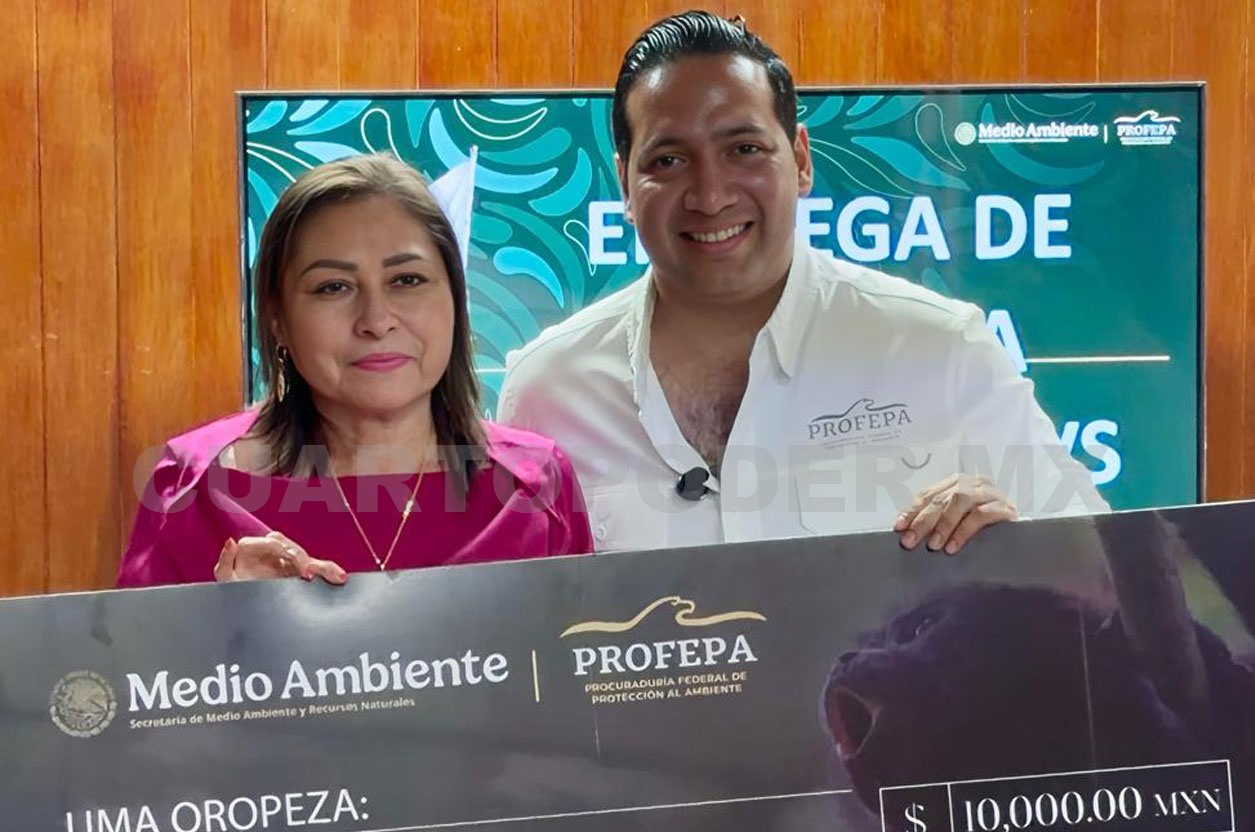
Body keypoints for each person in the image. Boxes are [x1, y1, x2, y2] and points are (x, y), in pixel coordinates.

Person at [498, 10, 1107, 555]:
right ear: (626, 186)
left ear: (801, 160)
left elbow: (1106, 574)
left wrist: (1021, 543)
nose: (711, 195)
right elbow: (514, 621)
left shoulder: (940, 348)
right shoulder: (547, 392)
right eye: (668, 161)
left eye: (744, 149)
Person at [120, 154, 592, 587]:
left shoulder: (536, 485)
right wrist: (224, 620)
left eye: (407, 280)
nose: (377, 320)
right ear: (277, 317)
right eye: (334, 287)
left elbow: (584, 651)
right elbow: (134, 655)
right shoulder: (191, 488)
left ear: (455, 300)